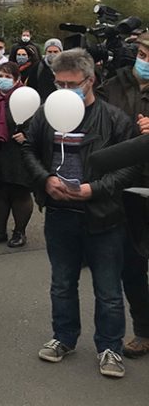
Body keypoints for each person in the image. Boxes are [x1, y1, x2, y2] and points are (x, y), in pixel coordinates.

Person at [21, 49, 139, 379]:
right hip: (60, 213)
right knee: (61, 283)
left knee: (108, 290)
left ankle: (110, 347)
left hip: (104, 216)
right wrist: (45, 180)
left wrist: (94, 189)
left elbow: (129, 166)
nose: (64, 90)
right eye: (58, 83)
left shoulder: (114, 119)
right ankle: (64, 337)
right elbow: (28, 148)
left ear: (90, 81)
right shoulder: (46, 114)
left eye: (71, 84)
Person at [97, 33, 149, 358]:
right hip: (126, 188)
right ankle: (144, 330)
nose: (145, 60)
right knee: (132, 266)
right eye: (143, 52)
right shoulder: (113, 86)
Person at [0, 63, 34, 247]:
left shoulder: (26, 97)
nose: (3, 79)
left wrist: (27, 134)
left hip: (19, 153)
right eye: (0, 75)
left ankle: (19, 232)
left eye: (8, 76)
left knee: (19, 192)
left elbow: (39, 122)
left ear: (17, 79)